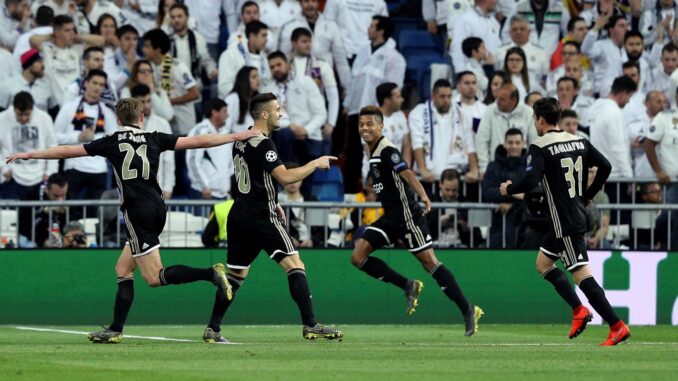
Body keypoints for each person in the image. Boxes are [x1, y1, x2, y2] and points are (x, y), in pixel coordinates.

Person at [5, 97, 259, 343]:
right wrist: (235, 136)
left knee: (153, 277)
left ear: (117, 119)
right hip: (158, 207)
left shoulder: (112, 141)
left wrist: (31, 154)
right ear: (142, 117)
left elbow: (68, 151)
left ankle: (210, 273)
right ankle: (115, 328)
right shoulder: (155, 137)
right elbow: (199, 141)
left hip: (137, 211)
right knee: (123, 269)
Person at [202, 92, 343, 343]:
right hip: (260, 216)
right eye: (278, 109)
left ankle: (213, 327)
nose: (281, 113)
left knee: (235, 276)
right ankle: (311, 324)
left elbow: (255, 177)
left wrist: (274, 200)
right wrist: (315, 163)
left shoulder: (242, 139)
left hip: (240, 213)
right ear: (264, 114)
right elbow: (285, 177)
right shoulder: (264, 143)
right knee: (295, 265)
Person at [500, 97, 630, 346]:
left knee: (582, 276)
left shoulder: (540, 146)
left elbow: (529, 182)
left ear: (539, 119)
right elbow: (605, 166)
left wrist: (509, 188)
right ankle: (579, 311)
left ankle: (616, 325)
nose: (535, 124)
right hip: (571, 215)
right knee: (543, 263)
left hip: (565, 222)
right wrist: (588, 195)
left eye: (534, 119)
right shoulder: (578, 140)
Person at [351, 105, 483, 336]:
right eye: (361, 124)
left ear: (380, 126)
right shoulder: (371, 150)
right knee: (358, 256)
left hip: (407, 217)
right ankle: (408, 285)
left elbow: (407, 172)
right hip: (390, 218)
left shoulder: (386, 149)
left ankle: (468, 309)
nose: (364, 128)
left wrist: (423, 195)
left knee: (431, 263)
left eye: (369, 124)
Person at [54, 69, 118, 205]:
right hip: (73, 167)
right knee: (71, 212)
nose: (97, 87)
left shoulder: (107, 113)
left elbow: (115, 143)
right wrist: (78, 137)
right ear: (86, 83)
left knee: (97, 215)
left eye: (101, 85)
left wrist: (100, 143)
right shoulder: (69, 107)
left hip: (99, 170)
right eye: (95, 83)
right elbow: (55, 137)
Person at [263, 51, 327, 164]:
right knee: (283, 135)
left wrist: (306, 130)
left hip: (309, 136)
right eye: (272, 67)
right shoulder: (269, 89)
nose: (276, 69)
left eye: (279, 65)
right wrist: (289, 126)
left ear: (288, 64)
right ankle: (286, 177)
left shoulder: (306, 82)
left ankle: (287, 177)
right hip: (281, 136)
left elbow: (321, 113)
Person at [409, 79, 478, 185]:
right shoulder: (419, 112)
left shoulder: (462, 114)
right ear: (433, 96)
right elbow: (417, 142)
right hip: (428, 177)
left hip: (455, 177)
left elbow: (470, 143)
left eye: (449, 96)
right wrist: (423, 169)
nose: (446, 100)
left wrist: (474, 169)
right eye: (442, 96)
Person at [30, 14, 105, 106]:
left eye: (72, 29)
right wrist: (51, 36)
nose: (72, 33)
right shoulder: (47, 49)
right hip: (55, 102)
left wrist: (78, 37)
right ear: (57, 32)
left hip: (74, 102)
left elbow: (101, 41)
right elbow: (33, 40)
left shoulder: (76, 50)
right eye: (67, 30)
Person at [142, 28, 199, 136]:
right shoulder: (148, 67)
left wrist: (168, 102)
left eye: (147, 46)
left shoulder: (178, 67)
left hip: (183, 124)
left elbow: (194, 94)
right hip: (163, 123)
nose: (143, 49)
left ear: (157, 49)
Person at [0, 92, 57, 200]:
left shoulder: (44, 118)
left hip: (40, 176)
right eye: (19, 115)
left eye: (27, 114)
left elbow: (52, 146)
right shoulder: (2, 119)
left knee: (38, 216)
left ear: (32, 109)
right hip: (12, 177)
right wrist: (3, 168)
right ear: (14, 108)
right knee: (11, 217)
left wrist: (50, 172)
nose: (23, 118)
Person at [474, 82, 536, 176]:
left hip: (522, 170)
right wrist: (484, 168)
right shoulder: (490, 111)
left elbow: (534, 145)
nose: (497, 101)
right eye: (497, 97)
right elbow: (481, 140)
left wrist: (532, 169)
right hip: (496, 170)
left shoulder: (528, 113)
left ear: (513, 100)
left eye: (502, 99)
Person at [482, 128, 526, 248]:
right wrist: (514, 195)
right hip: (497, 222)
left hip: (525, 224)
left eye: (517, 143)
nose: (514, 146)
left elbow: (533, 194)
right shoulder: (493, 166)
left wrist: (511, 204)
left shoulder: (530, 166)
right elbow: (487, 192)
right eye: (510, 143)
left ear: (523, 144)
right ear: (505, 144)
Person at [586, 75, 637, 178]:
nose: (629, 101)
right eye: (629, 96)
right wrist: (629, 177)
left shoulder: (594, 109)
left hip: (597, 174)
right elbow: (618, 147)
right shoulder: (614, 113)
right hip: (615, 175)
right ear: (623, 94)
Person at [131, 84, 175, 200]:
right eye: (142, 102)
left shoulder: (163, 124)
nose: (146, 105)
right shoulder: (125, 126)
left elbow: (168, 159)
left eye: (148, 101)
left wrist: (168, 187)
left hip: (157, 184)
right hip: (132, 185)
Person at [186, 98, 234, 201]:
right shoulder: (200, 131)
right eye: (224, 111)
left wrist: (228, 184)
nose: (227, 115)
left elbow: (230, 162)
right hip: (203, 194)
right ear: (214, 113)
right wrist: (204, 186)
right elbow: (193, 160)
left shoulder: (226, 133)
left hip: (223, 194)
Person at [427, 168, 484, 248]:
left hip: (461, 249)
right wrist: (440, 223)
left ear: (459, 186)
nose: (450, 194)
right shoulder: (430, 202)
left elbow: (478, 238)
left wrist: (466, 228)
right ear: (440, 184)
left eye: (454, 190)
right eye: (447, 190)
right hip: (435, 247)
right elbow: (423, 234)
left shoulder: (466, 204)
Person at [218, 20, 270, 99]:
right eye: (263, 36)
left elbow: (267, 84)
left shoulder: (264, 58)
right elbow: (224, 87)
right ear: (252, 36)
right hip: (235, 105)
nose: (266, 39)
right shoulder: (230, 55)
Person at [16, 173, 69, 248]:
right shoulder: (31, 195)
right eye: (56, 196)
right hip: (33, 237)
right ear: (46, 190)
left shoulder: (69, 195)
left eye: (63, 196)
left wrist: (65, 214)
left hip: (59, 237)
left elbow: (73, 223)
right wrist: (42, 241)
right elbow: (24, 226)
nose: (60, 200)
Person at [581, 14, 627, 98]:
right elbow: (585, 50)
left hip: (621, 95)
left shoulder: (628, 49)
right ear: (611, 30)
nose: (626, 29)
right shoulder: (602, 45)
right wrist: (595, 29)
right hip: (602, 95)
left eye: (626, 26)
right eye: (621, 26)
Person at [224, 66, 259, 134]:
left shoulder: (256, 99)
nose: (258, 79)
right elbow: (225, 127)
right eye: (254, 77)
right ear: (244, 80)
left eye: (258, 76)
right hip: (235, 141)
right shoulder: (232, 98)